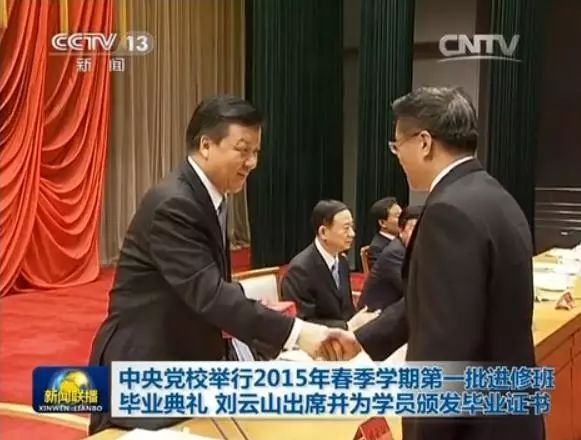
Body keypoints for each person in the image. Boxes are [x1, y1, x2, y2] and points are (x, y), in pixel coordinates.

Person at [88, 96, 357, 434]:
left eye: (256, 152)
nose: (252, 162)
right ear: (206, 145)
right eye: (243, 150)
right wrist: (297, 333)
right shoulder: (174, 204)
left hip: (189, 359)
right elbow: (210, 294)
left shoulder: (211, 197)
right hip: (146, 363)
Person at [353, 86, 544, 439]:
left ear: (424, 142)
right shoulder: (494, 196)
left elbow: (445, 349)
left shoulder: (447, 213)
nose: (397, 156)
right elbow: (441, 300)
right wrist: (363, 338)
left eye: (397, 145)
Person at [281, 200, 380, 331]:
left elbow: (347, 310)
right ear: (323, 232)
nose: (352, 234)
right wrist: (347, 326)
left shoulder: (342, 262)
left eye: (352, 227)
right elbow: (304, 322)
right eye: (346, 228)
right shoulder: (300, 270)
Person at [358, 205, 422, 313]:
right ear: (401, 229)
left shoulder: (412, 249)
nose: (418, 234)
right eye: (413, 229)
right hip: (374, 316)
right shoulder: (395, 253)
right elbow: (413, 290)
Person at [366, 197, 402, 268]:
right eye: (398, 216)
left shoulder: (402, 240)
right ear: (382, 223)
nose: (403, 220)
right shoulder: (377, 248)